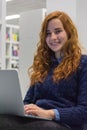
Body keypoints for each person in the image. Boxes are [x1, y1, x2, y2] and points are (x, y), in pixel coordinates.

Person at [23, 11, 87, 130]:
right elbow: (27, 101)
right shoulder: (42, 65)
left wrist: (49, 114)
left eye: (58, 31)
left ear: (69, 33)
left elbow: (84, 111)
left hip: (65, 124)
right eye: (48, 33)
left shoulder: (83, 63)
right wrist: (25, 109)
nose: (52, 37)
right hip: (37, 120)